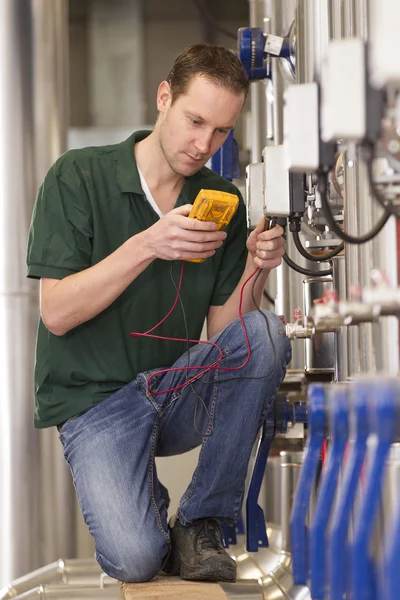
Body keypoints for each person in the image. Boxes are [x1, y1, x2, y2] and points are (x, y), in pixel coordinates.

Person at [26, 44, 291, 584]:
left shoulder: (222, 200)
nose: (204, 145)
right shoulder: (77, 176)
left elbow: (227, 339)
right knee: (136, 559)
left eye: (220, 131)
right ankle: (152, 520)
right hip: (93, 406)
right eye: (195, 121)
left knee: (265, 331)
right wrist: (149, 244)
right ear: (163, 99)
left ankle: (201, 521)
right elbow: (56, 312)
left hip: (173, 391)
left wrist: (257, 269)